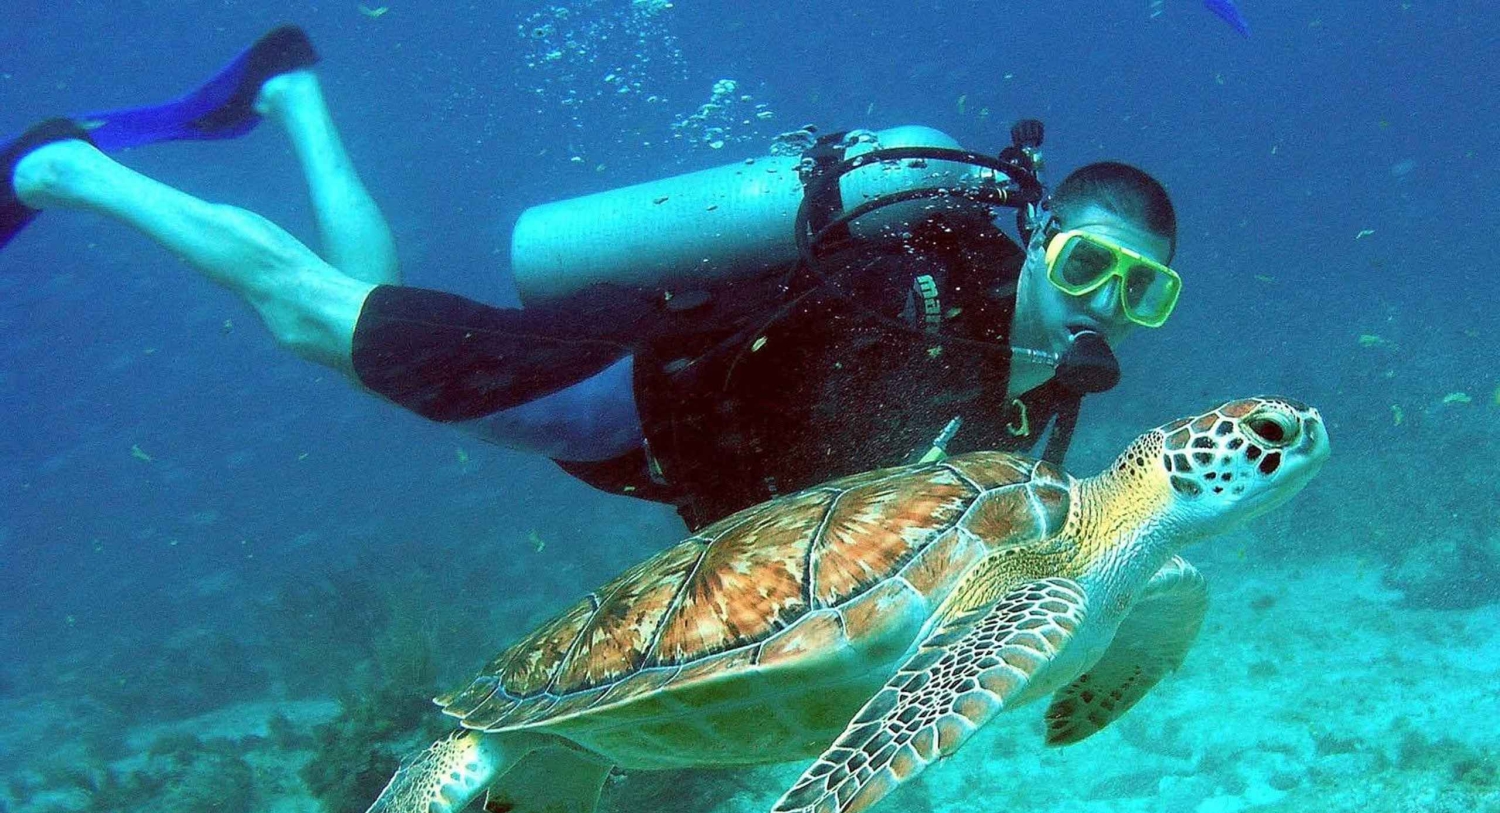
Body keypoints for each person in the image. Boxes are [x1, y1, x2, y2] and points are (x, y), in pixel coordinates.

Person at [1, 26, 1180, 531]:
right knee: (318, 321)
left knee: (363, 324)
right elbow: (783, 450)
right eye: (1088, 265)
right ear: (1039, 236)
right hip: (606, 379)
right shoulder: (910, 294)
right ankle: (69, 170)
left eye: (1141, 291)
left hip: (631, 422)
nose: (1104, 305)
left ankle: (292, 93)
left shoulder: (1041, 379)